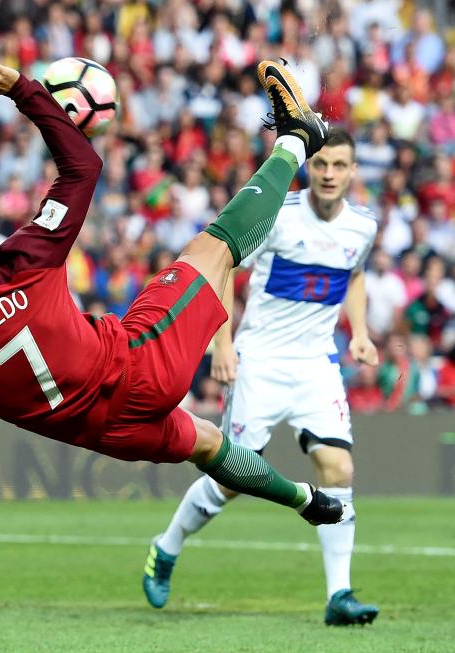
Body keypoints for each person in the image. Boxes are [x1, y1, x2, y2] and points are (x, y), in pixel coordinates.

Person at [0, 55, 340, 575]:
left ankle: (304, 499)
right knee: (216, 249)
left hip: (108, 435)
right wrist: (23, 89)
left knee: (206, 444)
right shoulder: (26, 257)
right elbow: (83, 166)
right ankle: (295, 138)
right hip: (138, 366)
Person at [143, 128, 380, 626]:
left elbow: (353, 275)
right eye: (321, 165)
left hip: (317, 364)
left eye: (340, 166)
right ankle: (166, 547)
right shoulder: (280, 216)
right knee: (231, 480)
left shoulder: (363, 227)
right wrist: (223, 344)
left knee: (337, 468)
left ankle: (340, 595)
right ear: (308, 168)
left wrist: (358, 330)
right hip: (261, 362)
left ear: (354, 170)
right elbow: (224, 268)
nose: (330, 174)